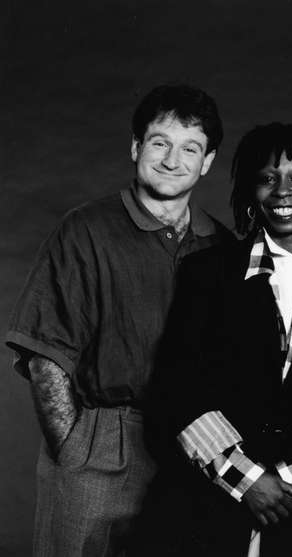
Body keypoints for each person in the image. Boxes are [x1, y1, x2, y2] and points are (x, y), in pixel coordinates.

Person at [5, 83, 233, 556]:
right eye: (159, 142)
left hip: (194, 448)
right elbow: (45, 352)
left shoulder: (222, 246)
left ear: (207, 161)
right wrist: (74, 449)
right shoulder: (85, 229)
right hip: (104, 441)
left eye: (190, 148)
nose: (173, 159)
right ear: (135, 147)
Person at [146, 121, 292, 557]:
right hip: (205, 512)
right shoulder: (206, 274)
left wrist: (287, 486)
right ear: (250, 191)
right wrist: (248, 480)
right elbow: (175, 390)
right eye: (267, 178)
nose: (282, 191)